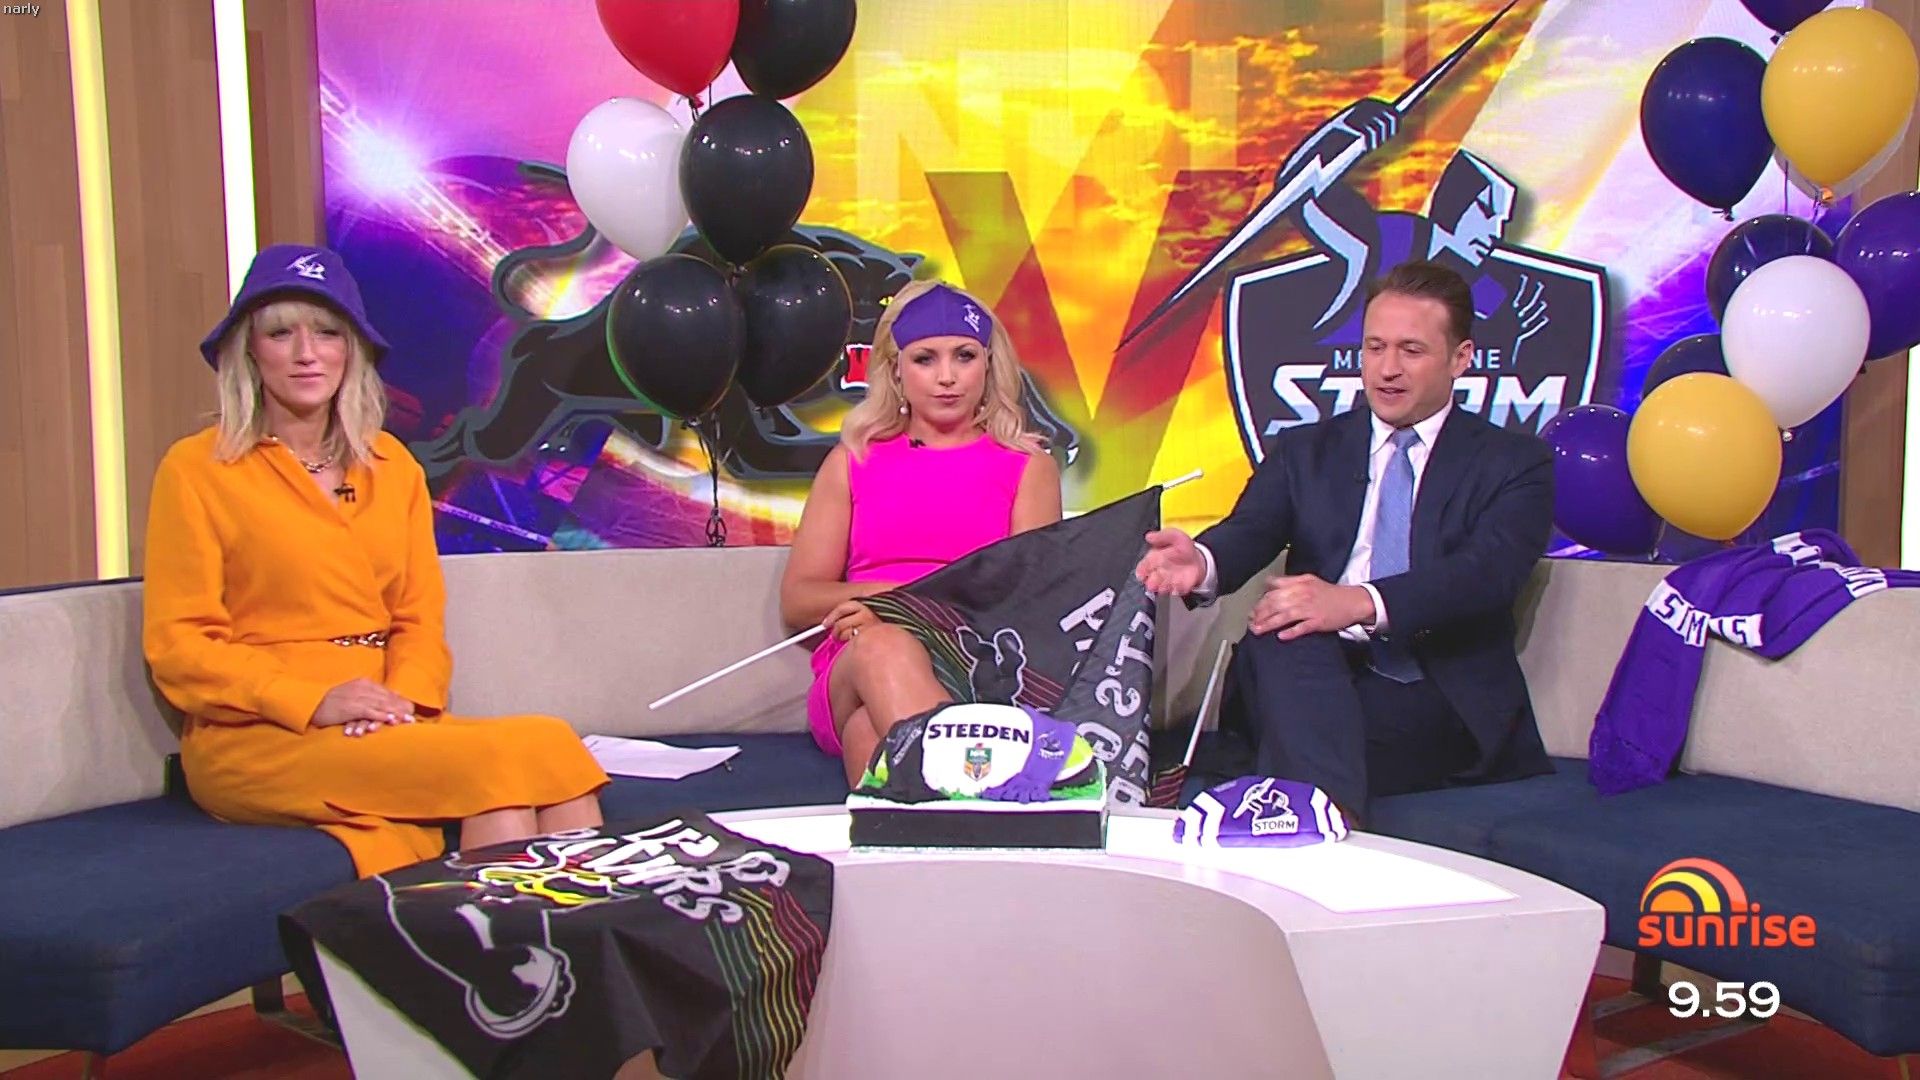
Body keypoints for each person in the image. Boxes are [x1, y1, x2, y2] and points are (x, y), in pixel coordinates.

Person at [143, 243, 609, 878]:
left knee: (546, 747)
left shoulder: (392, 467)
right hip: (261, 733)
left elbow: (417, 619)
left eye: (327, 333)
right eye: (281, 334)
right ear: (249, 351)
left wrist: (402, 701)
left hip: (385, 716)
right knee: (505, 770)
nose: (306, 353)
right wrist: (315, 700)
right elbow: (181, 646)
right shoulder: (199, 469)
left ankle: (558, 935)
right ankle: (511, 939)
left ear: (352, 350)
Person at [1135, 259, 1554, 824]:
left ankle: (1305, 802)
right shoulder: (1305, 450)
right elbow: (1251, 529)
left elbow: (1486, 574)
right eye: (1374, 347)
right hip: (1307, 673)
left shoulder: (1514, 463)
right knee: (1285, 631)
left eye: (1411, 350)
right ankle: (1330, 815)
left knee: (1297, 696)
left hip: (1430, 693)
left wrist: (1355, 602)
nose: (1387, 369)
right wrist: (1204, 561)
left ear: (1460, 359)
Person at [780, 280, 1063, 785]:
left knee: (868, 734)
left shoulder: (1027, 466)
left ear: (989, 365)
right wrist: (889, 605)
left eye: (964, 356)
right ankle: (979, 795)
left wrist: (914, 607)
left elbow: (1033, 605)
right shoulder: (853, 460)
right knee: (882, 646)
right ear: (896, 369)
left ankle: (938, 816)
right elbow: (800, 600)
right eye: (925, 359)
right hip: (858, 659)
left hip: (973, 665)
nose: (947, 377)